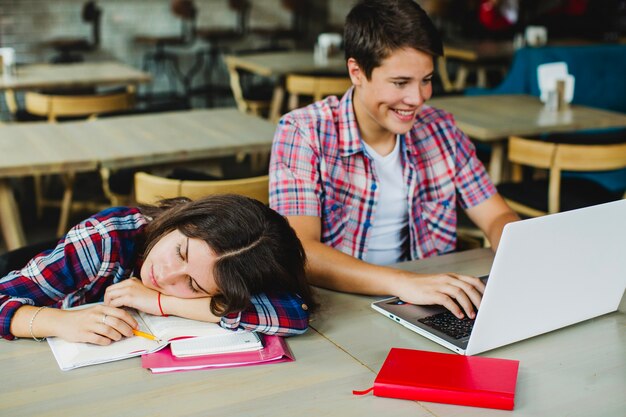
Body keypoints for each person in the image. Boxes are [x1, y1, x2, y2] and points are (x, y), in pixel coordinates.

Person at [269, 0, 519, 321]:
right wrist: (404, 283)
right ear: (356, 72)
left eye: (426, 79)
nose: (417, 99)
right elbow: (301, 251)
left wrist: (520, 254)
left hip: (425, 300)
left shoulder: (439, 129)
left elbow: (497, 215)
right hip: (339, 308)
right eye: (400, 83)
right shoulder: (304, 132)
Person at [0, 194, 316, 344]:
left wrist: (163, 302)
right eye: (180, 252)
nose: (165, 275)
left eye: (193, 285)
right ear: (184, 221)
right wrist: (58, 321)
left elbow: (294, 312)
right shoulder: (108, 238)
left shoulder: (234, 268)